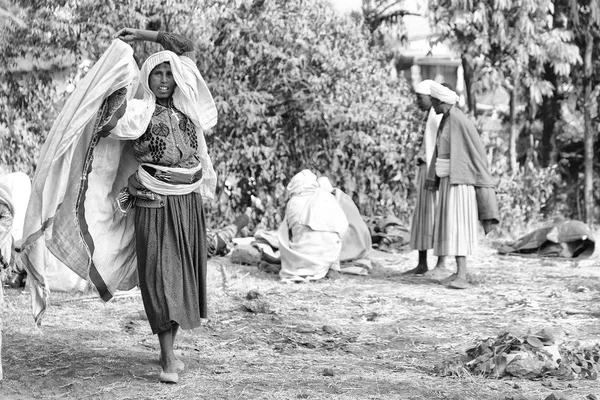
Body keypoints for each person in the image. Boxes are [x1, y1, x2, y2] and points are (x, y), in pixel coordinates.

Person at [98, 27, 218, 384]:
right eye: (157, 73)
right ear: (147, 78)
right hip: (154, 201)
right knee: (161, 279)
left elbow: (183, 46)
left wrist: (144, 32)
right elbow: (105, 123)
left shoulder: (185, 109)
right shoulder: (138, 111)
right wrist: (127, 47)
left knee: (182, 278)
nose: (164, 79)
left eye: (169, 73)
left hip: (189, 204)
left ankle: (170, 353)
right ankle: (167, 360)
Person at [425, 81, 498, 289]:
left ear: (442, 102)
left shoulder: (458, 120)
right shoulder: (447, 119)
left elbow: (474, 152)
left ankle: (463, 275)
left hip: (460, 182)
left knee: (459, 226)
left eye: (433, 102)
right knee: (451, 225)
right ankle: (458, 272)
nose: (432, 107)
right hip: (450, 180)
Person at [402, 80, 445, 277]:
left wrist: (433, 173)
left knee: (435, 215)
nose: (418, 102)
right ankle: (422, 263)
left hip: (433, 171)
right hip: (424, 169)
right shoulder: (427, 116)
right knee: (423, 216)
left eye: (420, 98)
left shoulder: (438, 116)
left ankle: (440, 263)